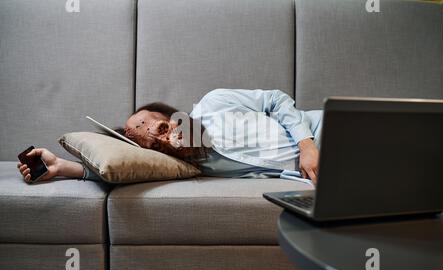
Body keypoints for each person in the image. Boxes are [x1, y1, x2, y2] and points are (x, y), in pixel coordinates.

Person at [17, 89, 323, 185]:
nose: (165, 140)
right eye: (154, 145)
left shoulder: (215, 103)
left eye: (162, 129)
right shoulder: (188, 165)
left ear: (175, 117)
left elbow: (276, 100)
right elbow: (125, 168)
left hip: (325, 130)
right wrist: (59, 167)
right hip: (328, 172)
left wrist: (306, 145)